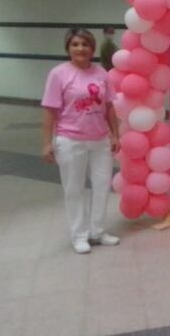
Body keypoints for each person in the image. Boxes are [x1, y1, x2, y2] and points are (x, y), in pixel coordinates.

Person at [41, 28, 121, 254]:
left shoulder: (101, 73)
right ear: (68, 47)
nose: (80, 49)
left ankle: (98, 231)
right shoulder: (58, 74)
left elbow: (108, 106)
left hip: (100, 141)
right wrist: (47, 142)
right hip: (70, 140)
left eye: (85, 44)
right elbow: (49, 111)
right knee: (74, 189)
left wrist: (115, 135)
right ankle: (79, 236)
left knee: (102, 186)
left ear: (92, 48)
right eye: (75, 44)